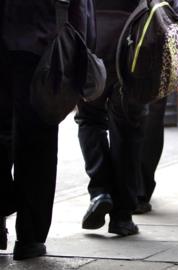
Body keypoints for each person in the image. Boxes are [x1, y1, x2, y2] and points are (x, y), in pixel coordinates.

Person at [76, 0, 178, 234]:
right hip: (135, 48)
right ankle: (122, 216)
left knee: (90, 118)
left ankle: (100, 191)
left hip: (92, 41)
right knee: (128, 127)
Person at [0, 0, 94, 260]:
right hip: (41, 45)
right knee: (37, 142)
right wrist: (82, 46)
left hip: (31, 41)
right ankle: (30, 237)